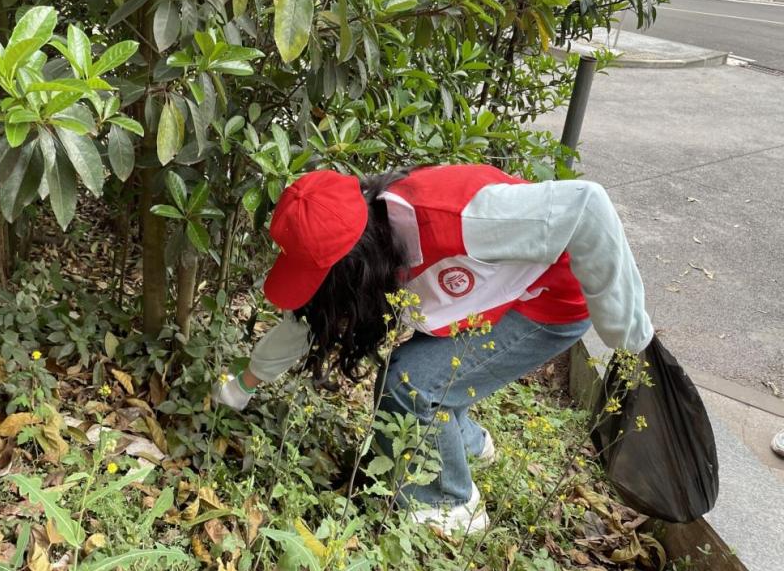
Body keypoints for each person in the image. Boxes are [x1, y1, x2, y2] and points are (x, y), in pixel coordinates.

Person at [214, 165, 653, 534]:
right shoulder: (376, 241)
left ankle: (450, 503)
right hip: (485, 300)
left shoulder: (461, 217)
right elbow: (311, 318)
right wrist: (245, 382)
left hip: (550, 303)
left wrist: (626, 330)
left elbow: (587, 206)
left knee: (411, 382)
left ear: (356, 263)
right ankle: (471, 444)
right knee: (431, 372)